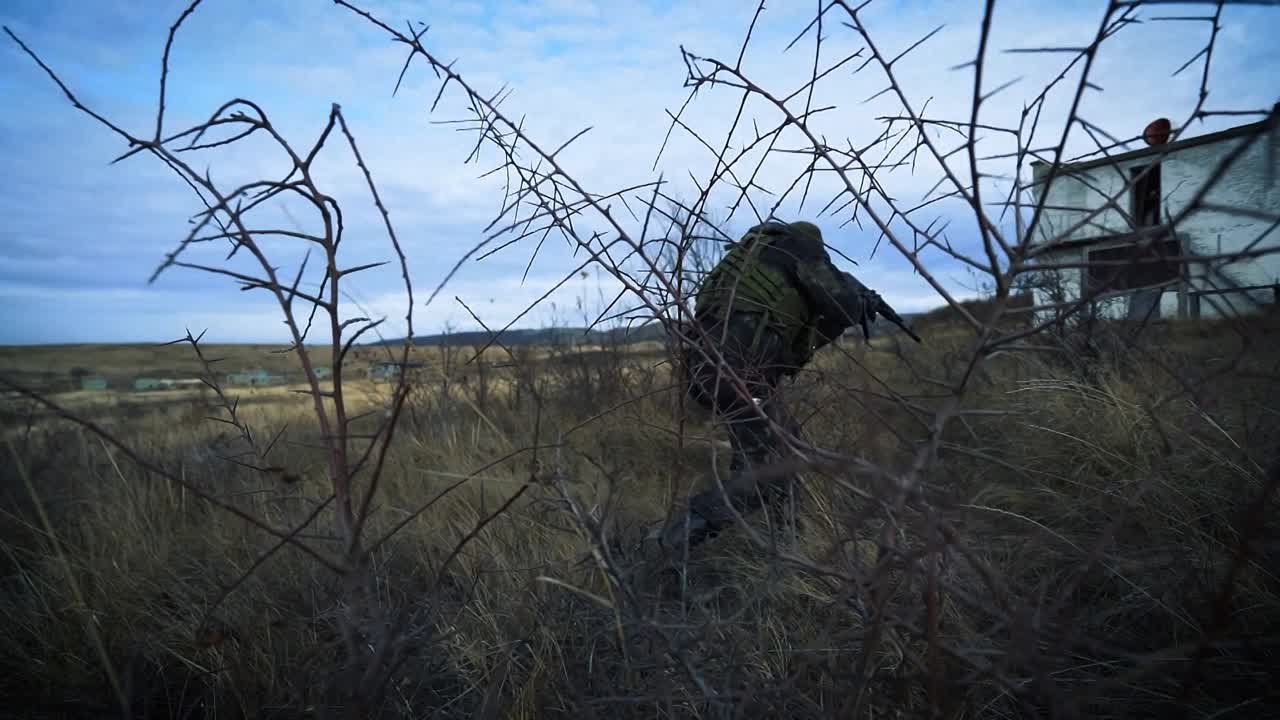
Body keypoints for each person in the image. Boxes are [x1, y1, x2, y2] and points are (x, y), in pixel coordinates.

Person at [656, 219, 887, 551]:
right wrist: (862, 300)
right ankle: (672, 543)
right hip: (741, 375)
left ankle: (788, 541)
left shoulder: (748, 264)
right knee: (765, 474)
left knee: (787, 448)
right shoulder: (798, 250)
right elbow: (841, 303)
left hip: (715, 371)